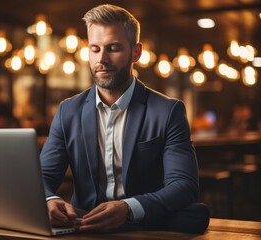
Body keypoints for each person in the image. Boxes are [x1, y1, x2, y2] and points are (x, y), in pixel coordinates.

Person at [40, 4, 209, 234]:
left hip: (143, 231)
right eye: (95, 49)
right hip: (83, 229)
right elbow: (42, 176)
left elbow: (184, 186)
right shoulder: (67, 111)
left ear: (135, 53)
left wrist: (128, 209)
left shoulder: (168, 111)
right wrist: (49, 199)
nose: (102, 59)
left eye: (114, 48)